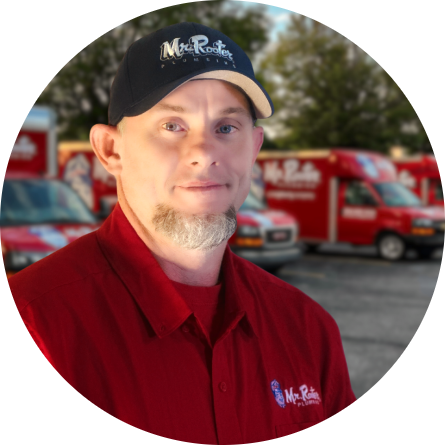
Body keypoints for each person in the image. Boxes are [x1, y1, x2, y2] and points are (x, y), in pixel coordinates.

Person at [8, 22, 357, 444]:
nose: (204, 153)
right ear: (111, 150)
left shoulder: (308, 330)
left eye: (226, 127)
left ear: (254, 148)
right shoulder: (35, 323)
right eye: (172, 125)